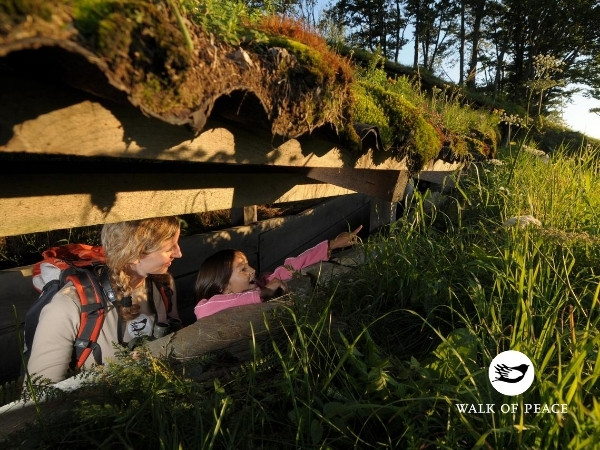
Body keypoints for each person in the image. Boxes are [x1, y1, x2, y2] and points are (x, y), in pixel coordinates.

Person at [26, 216, 182, 383]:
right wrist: (121, 372)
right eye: (169, 248)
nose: (179, 253)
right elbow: (40, 394)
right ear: (135, 253)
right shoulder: (68, 305)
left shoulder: (163, 284)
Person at [194, 225, 363, 320]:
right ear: (224, 288)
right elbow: (202, 310)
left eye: (249, 265)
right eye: (243, 269)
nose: (253, 270)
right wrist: (264, 293)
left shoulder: (261, 283)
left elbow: (291, 267)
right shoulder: (212, 305)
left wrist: (332, 245)